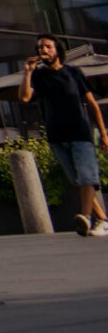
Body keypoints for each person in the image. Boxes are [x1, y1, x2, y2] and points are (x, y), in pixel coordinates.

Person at [19, 36, 107, 234]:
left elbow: (92, 104)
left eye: (48, 46)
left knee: (87, 177)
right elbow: (24, 97)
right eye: (40, 47)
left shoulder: (73, 73)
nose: (44, 50)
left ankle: (86, 217)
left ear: (57, 50)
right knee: (77, 181)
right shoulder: (38, 76)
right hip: (56, 136)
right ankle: (102, 219)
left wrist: (103, 133)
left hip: (80, 133)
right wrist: (27, 72)